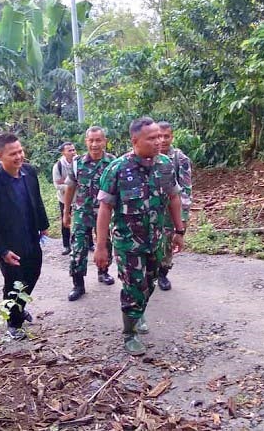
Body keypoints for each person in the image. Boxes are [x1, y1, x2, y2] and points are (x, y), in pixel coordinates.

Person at [95, 117, 186, 356]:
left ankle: (139, 309)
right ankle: (129, 332)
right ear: (135, 140)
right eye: (152, 138)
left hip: (156, 239)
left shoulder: (165, 165)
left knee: (150, 282)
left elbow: (174, 197)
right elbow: (104, 209)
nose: (158, 142)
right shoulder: (116, 169)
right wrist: (101, 247)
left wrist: (179, 230)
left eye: (160, 137)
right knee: (133, 286)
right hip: (128, 243)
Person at [0, 133, 50, 340]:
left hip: (30, 237)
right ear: (0, 156)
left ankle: (18, 309)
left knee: (33, 274)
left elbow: (37, 200)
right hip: (8, 245)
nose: (19, 156)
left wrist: (44, 225)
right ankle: (13, 322)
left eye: (20, 151)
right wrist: (3, 251)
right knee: (14, 282)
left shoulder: (28, 172)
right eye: (13, 154)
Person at [62, 126, 116, 301]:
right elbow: (70, 187)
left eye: (98, 140)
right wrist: (66, 211)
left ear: (105, 141)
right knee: (78, 248)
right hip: (81, 213)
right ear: (86, 142)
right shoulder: (77, 163)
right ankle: (78, 285)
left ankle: (103, 272)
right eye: (91, 140)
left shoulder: (113, 163)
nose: (94, 144)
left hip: (105, 213)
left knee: (105, 244)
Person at [156, 121, 192, 291]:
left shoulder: (180, 158)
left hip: (170, 209)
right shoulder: (146, 155)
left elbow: (185, 188)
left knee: (168, 243)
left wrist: (183, 217)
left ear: (172, 137)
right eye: (159, 136)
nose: (163, 140)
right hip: (149, 209)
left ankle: (163, 274)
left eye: (166, 136)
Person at [53, 142, 76, 255]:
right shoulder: (58, 166)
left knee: (83, 221)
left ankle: (89, 244)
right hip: (64, 199)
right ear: (63, 152)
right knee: (65, 221)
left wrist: (66, 183)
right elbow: (57, 185)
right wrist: (70, 185)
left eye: (73, 150)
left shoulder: (79, 162)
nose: (73, 152)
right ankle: (66, 245)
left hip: (79, 198)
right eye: (69, 150)